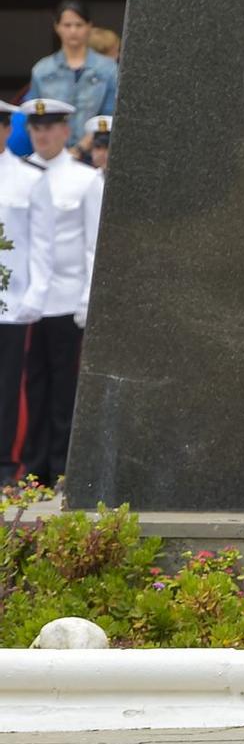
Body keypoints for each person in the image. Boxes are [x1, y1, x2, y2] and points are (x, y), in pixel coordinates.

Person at [20, 99, 99, 483]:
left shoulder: (84, 180)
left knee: (64, 389)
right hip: (25, 303)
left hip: (67, 299)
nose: (42, 135)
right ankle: (33, 467)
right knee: (33, 386)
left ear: (66, 131)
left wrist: (87, 298)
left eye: (50, 127)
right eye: (36, 128)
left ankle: (62, 466)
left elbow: (91, 245)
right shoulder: (21, 176)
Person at [0, 105, 38, 480]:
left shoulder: (29, 178)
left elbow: (41, 242)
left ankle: (5, 464)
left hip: (12, 300)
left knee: (8, 386)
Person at [28, 1, 117, 146]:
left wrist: (81, 149)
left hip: (95, 152)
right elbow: (34, 116)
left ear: (89, 26)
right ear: (57, 27)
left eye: (79, 25)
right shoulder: (42, 69)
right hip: (53, 151)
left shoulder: (108, 68)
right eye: (67, 25)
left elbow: (110, 115)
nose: (73, 31)